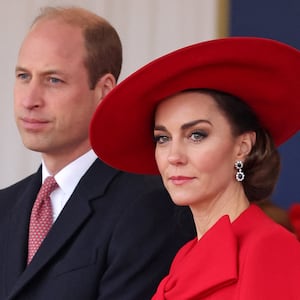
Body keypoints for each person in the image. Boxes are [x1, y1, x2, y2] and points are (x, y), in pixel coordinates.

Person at [0, 6, 195, 300]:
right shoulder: (5, 206)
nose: (30, 100)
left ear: (104, 90)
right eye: (24, 76)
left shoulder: (149, 206)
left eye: (53, 80)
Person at [90, 37, 300, 299]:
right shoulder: (185, 256)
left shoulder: (270, 248)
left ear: (243, 146)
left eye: (197, 135)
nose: (174, 156)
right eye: (162, 138)